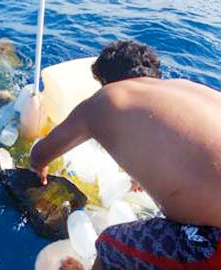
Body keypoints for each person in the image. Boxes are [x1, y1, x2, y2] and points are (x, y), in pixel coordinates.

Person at [30, 40, 221, 269]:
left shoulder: (106, 98)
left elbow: (40, 153)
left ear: (105, 81)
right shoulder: (186, 88)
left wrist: (39, 169)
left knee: (110, 244)